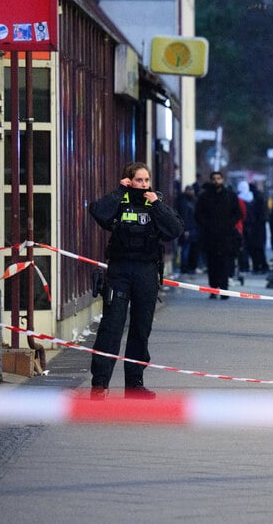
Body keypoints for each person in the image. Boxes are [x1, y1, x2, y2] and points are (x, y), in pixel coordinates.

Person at [88, 162, 183, 399]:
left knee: (141, 329)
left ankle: (134, 383)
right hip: (120, 270)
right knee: (111, 328)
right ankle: (100, 384)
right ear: (128, 180)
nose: (143, 185)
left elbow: (175, 229)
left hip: (146, 272)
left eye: (146, 180)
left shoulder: (155, 204)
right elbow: (98, 212)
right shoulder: (119, 201)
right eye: (138, 180)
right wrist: (121, 191)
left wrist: (157, 205)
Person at [195, 170, 243, 299]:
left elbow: (238, 213)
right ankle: (213, 289)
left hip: (226, 236)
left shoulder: (230, 196)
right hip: (210, 236)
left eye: (219, 178)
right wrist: (207, 225)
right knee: (212, 264)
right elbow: (198, 214)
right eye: (214, 178)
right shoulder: (205, 196)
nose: (216, 181)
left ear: (222, 180)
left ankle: (224, 289)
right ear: (211, 180)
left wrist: (229, 224)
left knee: (225, 263)